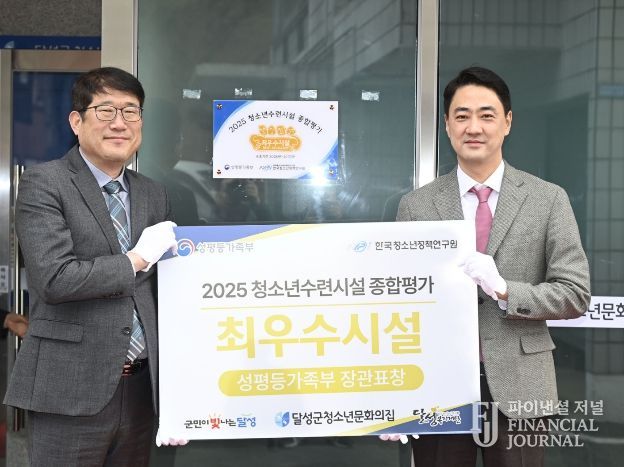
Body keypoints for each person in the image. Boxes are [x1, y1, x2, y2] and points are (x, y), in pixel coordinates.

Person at [394, 67, 590, 466]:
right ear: (447, 125)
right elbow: (398, 303)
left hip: (521, 383)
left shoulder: (548, 199)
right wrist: (394, 397)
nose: (474, 127)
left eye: (486, 115)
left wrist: (504, 289)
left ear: (507, 122)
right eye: (462, 115)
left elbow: (575, 294)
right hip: (439, 386)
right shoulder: (416, 205)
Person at [3, 67, 179, 467]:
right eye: (106, 110)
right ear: (76, 121)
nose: (120, 123)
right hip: (70, 388)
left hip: (142, 389)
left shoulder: (153, 193)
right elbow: (55, 278)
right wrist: (135, 260)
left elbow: (165, 289)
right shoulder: (45, 183)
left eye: (131, 111)